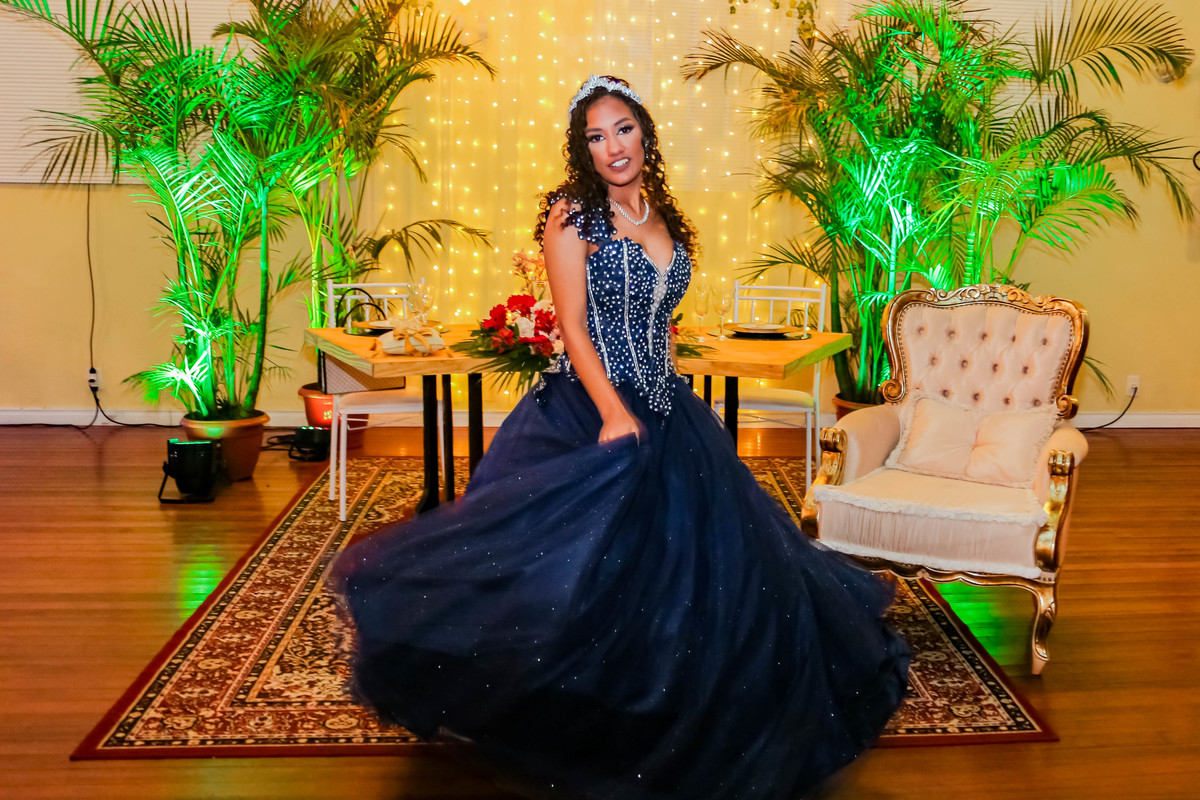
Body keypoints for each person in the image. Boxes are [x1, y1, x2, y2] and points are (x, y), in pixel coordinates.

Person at [335, 75, 910, 800]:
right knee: (574, 569)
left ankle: (688, 710)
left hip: (668, 406)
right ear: (583, 150)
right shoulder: (572, 216)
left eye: (623, 129)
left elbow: (658, 323)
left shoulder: (662, 213)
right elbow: (573, 327)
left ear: (645, 132)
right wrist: (612, 412)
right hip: (591, 407)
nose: (612, 147)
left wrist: (665, 399)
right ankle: (580, 714)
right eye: (596, 136)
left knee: (707, 573)